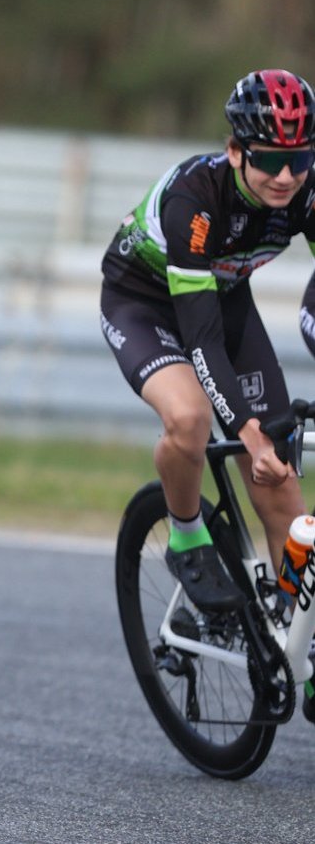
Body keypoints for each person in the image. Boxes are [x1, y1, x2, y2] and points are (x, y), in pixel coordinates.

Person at [99, 69, 315, 610]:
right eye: (268, 159)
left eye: (301, 159)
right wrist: (249, 430)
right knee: (191, 419)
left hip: (223, 298)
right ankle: (188, 535)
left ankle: (297, 646)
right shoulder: (195, 200)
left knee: (285, 497)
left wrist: (266, 440)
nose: (286, 176)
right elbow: (199, 338)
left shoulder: (306, 192)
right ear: (236, 151)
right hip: (144, 304)